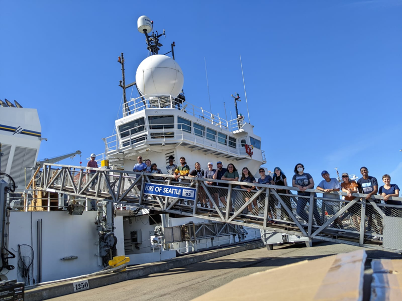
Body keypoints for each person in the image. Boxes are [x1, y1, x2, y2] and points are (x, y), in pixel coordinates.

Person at [357, 167, 381, 234]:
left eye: (365, 170)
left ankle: (382, 233)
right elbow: (360, 192)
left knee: (378, 218)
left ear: (367, 171)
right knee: (369, 219)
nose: (364, 171)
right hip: (367, 202)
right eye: (362, 171)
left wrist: (369, 194)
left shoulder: (373, 179)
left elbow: (375, 190)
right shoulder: (359, 181)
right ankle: (377, 233)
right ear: (361, 173)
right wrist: (362, 198)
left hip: (374, 201)